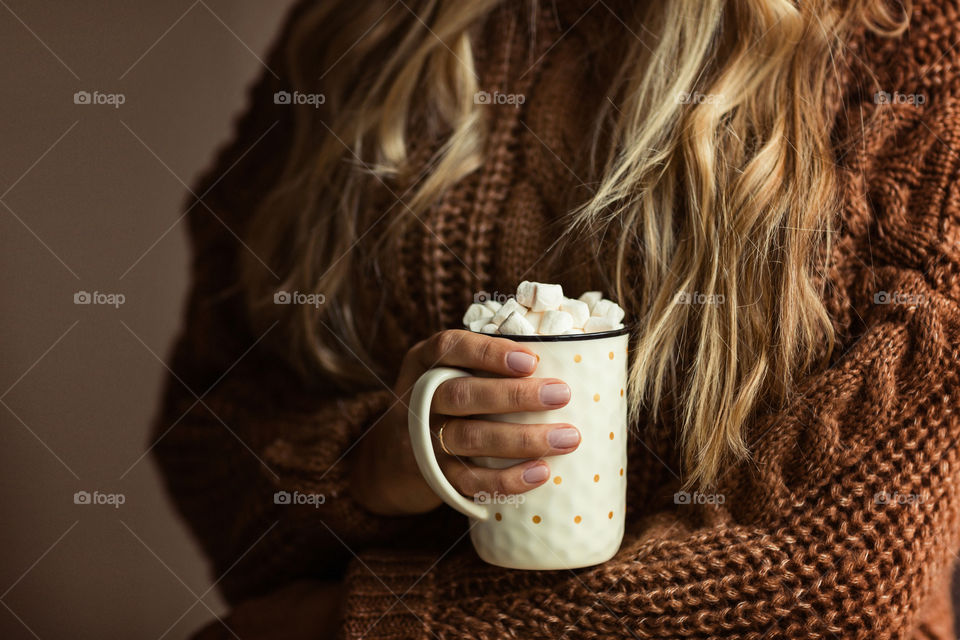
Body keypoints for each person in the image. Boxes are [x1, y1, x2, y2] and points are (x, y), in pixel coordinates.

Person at [153, 0, 960, 637]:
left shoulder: (910, 43)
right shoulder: (365, 28)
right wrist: (368, 465)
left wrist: (371, 620)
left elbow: (841, 578)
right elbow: (203, 427)